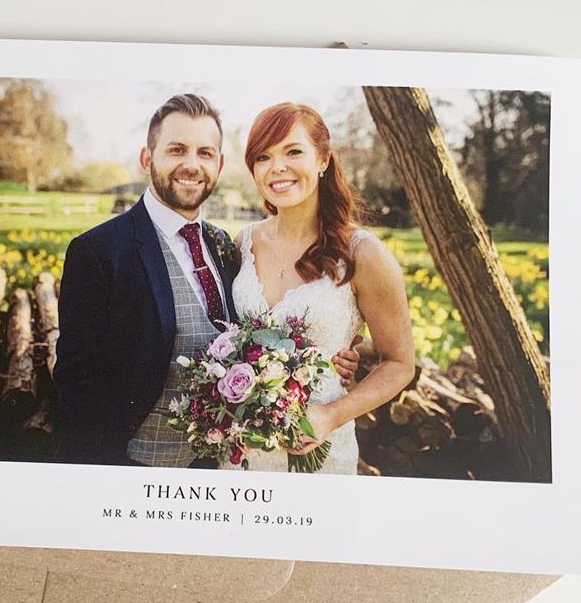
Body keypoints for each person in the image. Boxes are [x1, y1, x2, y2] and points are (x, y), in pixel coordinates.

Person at [53, 94, 362, 467]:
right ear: (147, 159)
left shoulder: (225, 246)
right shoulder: (98, 252)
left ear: (219, 163)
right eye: (177, 150)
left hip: (221, 469)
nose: (191, 165)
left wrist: (333, 355)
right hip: (133, 468)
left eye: (204, 153)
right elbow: (76, 387)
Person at [223, 102, 416, 474]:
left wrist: (331, 414)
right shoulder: (240, 244)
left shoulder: (364, 254)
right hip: (240, 454)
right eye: (263, 157)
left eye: (293, 152)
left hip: (319, 451)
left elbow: (400, 364)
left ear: (323, 159)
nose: (277, 167)